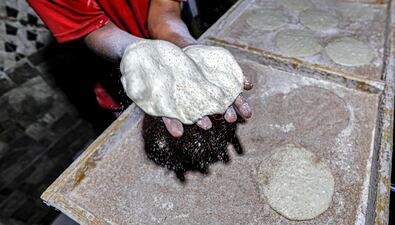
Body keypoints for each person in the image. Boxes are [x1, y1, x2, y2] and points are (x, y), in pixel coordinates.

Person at [27, 0, 252, 137]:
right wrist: (144, 55)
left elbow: (163, 15)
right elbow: (98, 29)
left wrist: (188, 47)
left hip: (166, 47)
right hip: (115, 79)